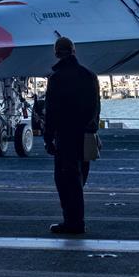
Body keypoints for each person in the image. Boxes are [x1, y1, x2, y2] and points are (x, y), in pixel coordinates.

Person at [43, 37, 100, 234]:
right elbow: (96, 107)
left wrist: (47, 137)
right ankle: (75, 218)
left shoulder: (56, 78)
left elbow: (51, 112)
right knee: (79, 178)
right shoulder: (89, 75)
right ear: (74, 51)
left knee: (66, 180)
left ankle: (74, 222)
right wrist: (92, 130)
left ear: (57, 53)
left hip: (65, 135)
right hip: (85, 135)